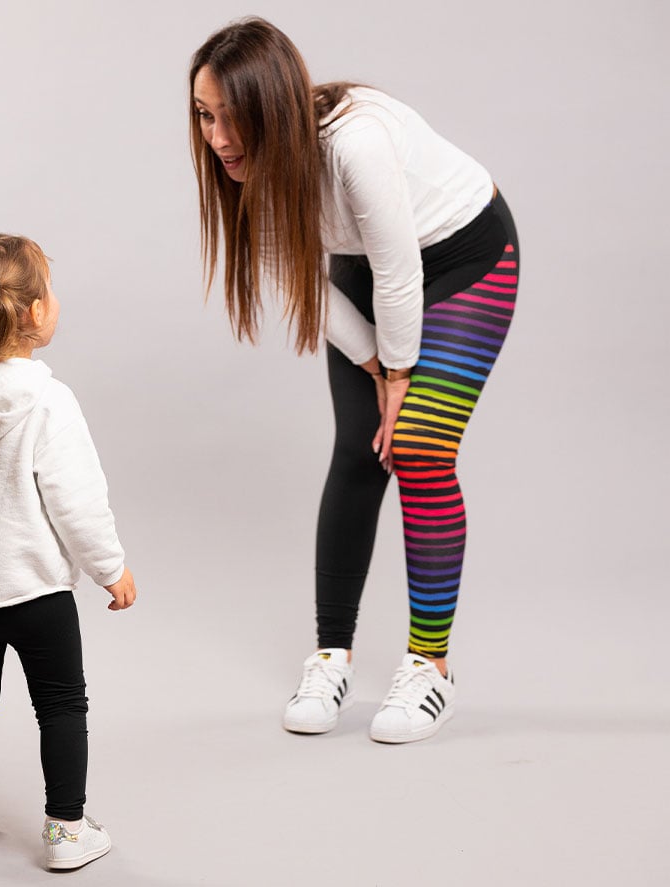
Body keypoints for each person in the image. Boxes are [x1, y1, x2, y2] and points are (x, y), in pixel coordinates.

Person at [189, 19, 518, 743]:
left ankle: (430, 668)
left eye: (232, 116)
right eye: (205, 115)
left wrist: (399, 376)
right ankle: (330, 658)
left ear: (273, 105)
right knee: (359, 450)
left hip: (464, 255)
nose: (218, 138)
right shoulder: (244, 166)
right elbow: (298, 271)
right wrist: (374, 362)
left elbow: (401, 270)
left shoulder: (355, 142)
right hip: (366, 265)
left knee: (419, 447)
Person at [0, 234, 137, 869]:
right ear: (35, 311)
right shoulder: (49, 401)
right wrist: (111, 568)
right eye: (50, 290)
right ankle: (66, 829)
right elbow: (77, 500)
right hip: (36, 591)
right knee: (61, 705)